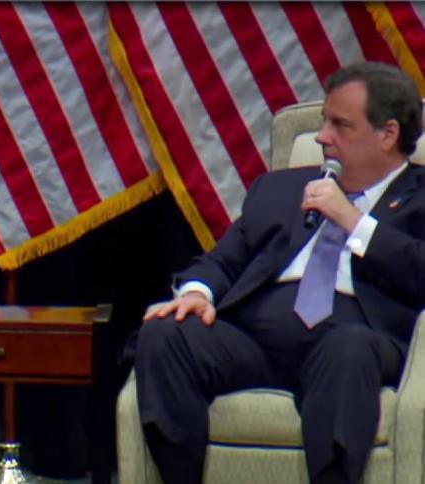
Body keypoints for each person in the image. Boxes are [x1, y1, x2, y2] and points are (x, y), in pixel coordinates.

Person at [133, 61, 425, 484]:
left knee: (347, 348)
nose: (322, 136)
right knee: (164, 333)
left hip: (353, 343)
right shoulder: (281, 188)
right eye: (324, 120)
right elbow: (225, 258)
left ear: (388, 134)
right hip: (256, 340)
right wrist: (198, 293)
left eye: (340, 125)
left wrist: (354, 221)